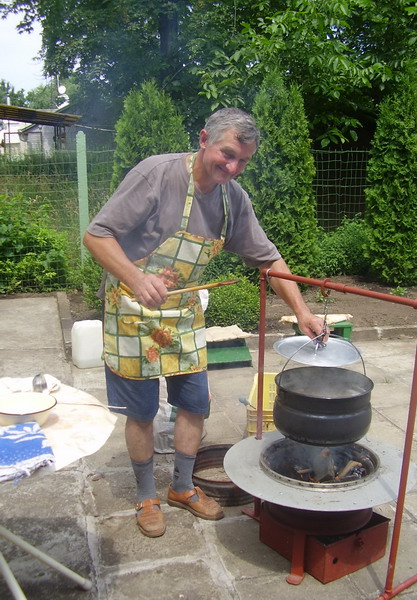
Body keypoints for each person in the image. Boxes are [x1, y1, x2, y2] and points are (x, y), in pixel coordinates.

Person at [83, 107, 326, 538]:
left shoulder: (234, 200)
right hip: (131, 311)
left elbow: (268, 259)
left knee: (195, 403)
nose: (232, 168)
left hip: (182, 314)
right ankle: (146, 495)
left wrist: (302, 311)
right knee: (141, 412)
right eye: (227, 154)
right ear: (203, 140)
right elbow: (96, 235)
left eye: (243, 161)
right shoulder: (157, 175)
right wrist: (136, 278)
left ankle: (181, 486)